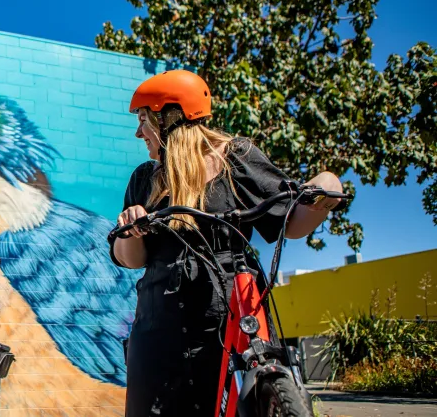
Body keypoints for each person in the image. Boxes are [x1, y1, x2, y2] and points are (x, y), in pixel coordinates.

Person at [108, 70, 345, 417]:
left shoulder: (237, 158)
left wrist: (328, 186)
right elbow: (130, 259)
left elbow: (291, 221)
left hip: (235, 311)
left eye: (145, 119)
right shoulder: (146, 178)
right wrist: (130, 230)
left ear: (171, 117)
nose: (138, 131)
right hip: (162, 327)